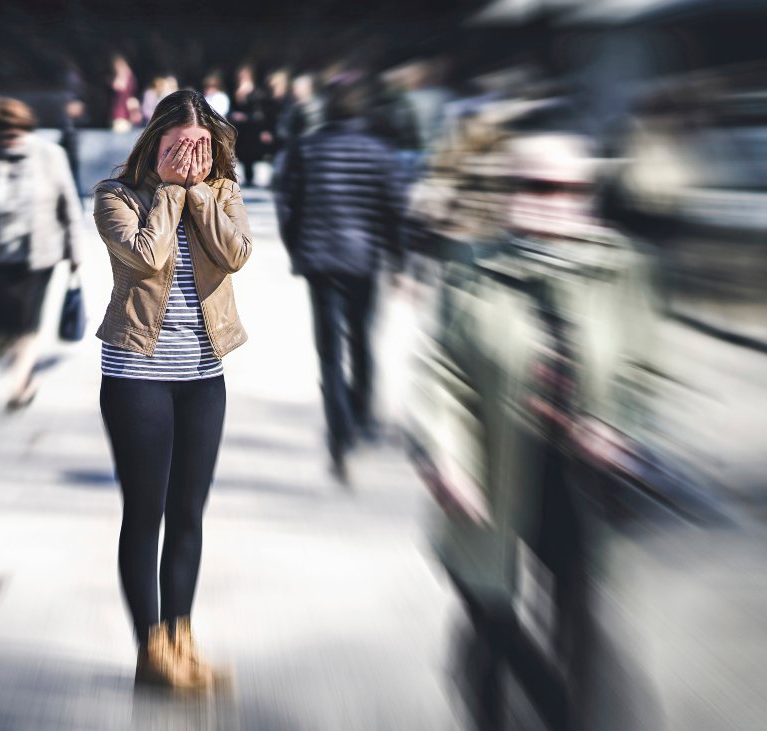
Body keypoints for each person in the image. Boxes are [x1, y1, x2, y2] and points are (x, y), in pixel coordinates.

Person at [411, 126, 662, 730]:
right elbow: (442, 371)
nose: (551, 200)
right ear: (506, 190)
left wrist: (616, 426)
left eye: (569, 188)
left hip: (576, 474)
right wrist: (448, 456)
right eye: (533, 185)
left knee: (577, 610)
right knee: (489, 604)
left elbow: (639, 365)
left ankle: (577, 713)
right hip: (491, 464)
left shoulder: (619, 269)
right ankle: (521, 705)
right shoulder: (471, 267)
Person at [93, 89, 251, 692]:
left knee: (189, 514)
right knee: (146, 515)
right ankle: (151, 650)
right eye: (180, 147)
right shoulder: (117, 197)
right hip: (138, 377)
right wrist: (168, 190)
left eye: (202, 147)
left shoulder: (224, 193)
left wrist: (200, 194)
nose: (193, 157)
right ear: (154, 144)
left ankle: (182, 640)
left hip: (204, 379)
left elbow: (234, 254)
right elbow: (148, 258)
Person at [275, 79, 404, 485]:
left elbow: (288, 204)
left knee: (329, 353)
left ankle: (340, 432)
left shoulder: (306, 149)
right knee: (363, 339)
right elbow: (393, 209)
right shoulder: (379, 152)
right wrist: (398, 258)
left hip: (320, 261)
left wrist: (296, 248)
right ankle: (361, 414)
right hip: (363, 261)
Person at [0, 98, 84, 410]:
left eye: (14, 134)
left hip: (40, 255)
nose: (9, 141)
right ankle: (24, 373)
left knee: (27, 321)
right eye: (4, 136)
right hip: (0, 255)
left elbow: (69, 205)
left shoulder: (50, 155)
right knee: (10, 323)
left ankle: (18, 385)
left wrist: (76, 251)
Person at [110, 54, 141, 133]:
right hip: (120, 112)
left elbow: (119, 87)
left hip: (124, 113)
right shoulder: (126, 75)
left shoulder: (127, 75)